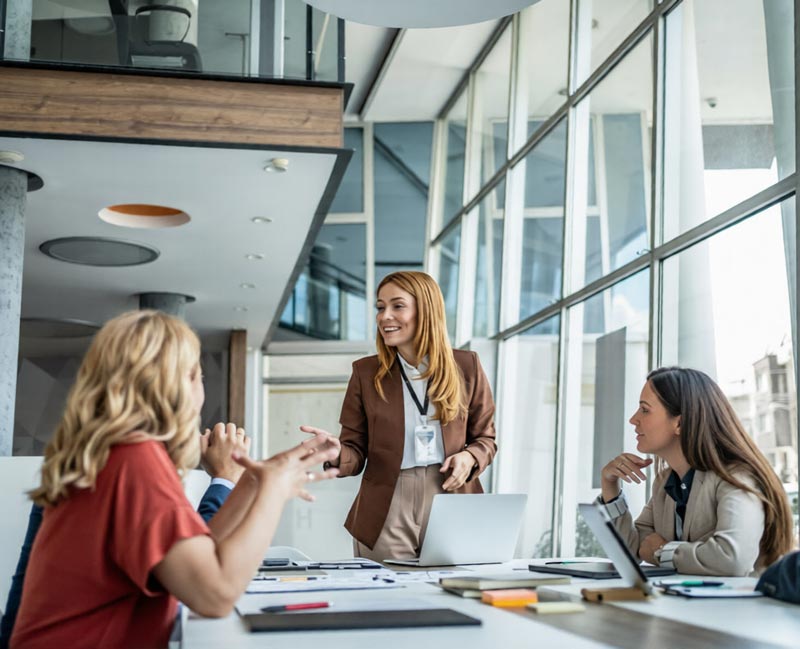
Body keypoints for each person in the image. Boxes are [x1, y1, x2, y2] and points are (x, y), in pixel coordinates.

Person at [9, 310, 338, 649]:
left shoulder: (121, 453)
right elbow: (215, 594)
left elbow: (201, 549)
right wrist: (273, 489)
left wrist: (262, 477)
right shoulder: (132, 461)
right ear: (174, 382)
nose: (201, 390)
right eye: (198, 376)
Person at [302, 271, 497, 561]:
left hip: (451, 496)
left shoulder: (466, 366)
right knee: (389, 600)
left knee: (448, 597)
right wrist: (335, 452)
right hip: (387, 503)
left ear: (425, 310)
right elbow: (354, 452)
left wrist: (469, 458)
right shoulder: (365, 373)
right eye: (380, 308)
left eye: (397, 306)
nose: (385, 316)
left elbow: (485, 438)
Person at [0, 423, 246, 649]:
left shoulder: (84, 457)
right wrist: (233, 478)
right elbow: (200, 579)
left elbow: (192, 555)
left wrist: (232, 479)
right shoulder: (129, 463)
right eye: (191, 377)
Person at [599, 366, 793, 576]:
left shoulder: (736, 478)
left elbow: (731, 559)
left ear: (680, 423)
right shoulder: (666, 481)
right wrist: (610, 487)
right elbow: (635, 548)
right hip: (692, 606)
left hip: (741, 607)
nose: (633, 419)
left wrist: (662, 551)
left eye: (645, 410)